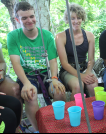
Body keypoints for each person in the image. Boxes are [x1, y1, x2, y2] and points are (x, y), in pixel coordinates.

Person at [7, 2, 66, 132]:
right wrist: (26, 83)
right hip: (27, 74)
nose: (29, 20)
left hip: (47, 72)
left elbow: (53, 61)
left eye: (31, 16)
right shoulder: (13, 36)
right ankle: (39, 129)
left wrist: (55, 78)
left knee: (59, 91)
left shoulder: (47, 35)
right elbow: (16, 62)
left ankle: (59, 126)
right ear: (17, 20)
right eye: (24, 18)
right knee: (30, 94)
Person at [56, 3, 98, 101]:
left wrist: (87, 73)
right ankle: (74, 113)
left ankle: (93, 112)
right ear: (67, 20)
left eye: (79, 18)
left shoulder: (89, 35)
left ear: (82, 19)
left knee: (93, 85)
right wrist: (81, 76)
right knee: (78, 86)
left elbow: (91, 59)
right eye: (72, 18)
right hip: (68, 70)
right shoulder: (61, 37)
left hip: (84, 67)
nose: (76, 21)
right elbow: (64, 63)